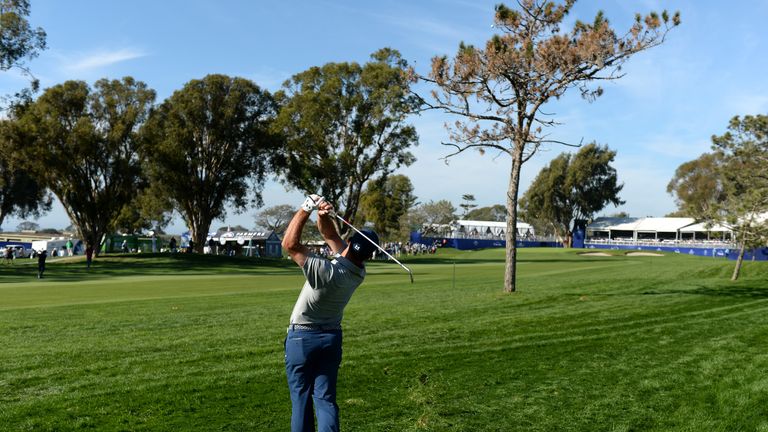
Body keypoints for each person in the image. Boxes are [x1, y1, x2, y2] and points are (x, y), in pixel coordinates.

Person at [282, 194, 379, 432]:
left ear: (352, 241)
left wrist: (306, 208)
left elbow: (290, 245)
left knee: (301, 400)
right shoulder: (358, 271)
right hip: (331, 339)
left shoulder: (325, 271)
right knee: (325, 400)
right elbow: (330, 236)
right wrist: (323, 215)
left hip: (302, 339)